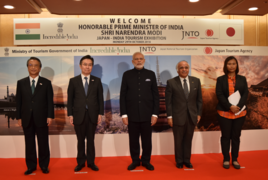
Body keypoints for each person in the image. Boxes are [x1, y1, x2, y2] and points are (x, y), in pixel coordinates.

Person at [120, 52, 159, 171]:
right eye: (136, 59)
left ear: (144, 60)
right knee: (133, 140)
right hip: (131, 115)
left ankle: (146, 161)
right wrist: (124, 114)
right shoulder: (127, 74)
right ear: (132, 61)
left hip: (148, 114)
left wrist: (155, 113)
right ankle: (135, 161)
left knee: (147, 140)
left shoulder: (151, 74)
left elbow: (155, 95)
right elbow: (123, 95)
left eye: (141, 59)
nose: (138, 60)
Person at [16, 57, 54, 175]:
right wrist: (19, 117)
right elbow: (19, 102)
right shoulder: (21, 83)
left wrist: (50, 116)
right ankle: (31, 166)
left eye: (36, 65)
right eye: (31, 65)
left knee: (43, 143)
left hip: (42, 118)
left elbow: (49, 101)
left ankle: (44, 165)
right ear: (27, 67)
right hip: (26, 118)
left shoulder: (46, 83)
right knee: (29, 143)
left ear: (40, 68)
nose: (33, 67)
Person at [67, 55, 104, 172]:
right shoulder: (73, 81)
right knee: (80, 140)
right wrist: (70, 115)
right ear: (80, 66)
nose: (87, 67)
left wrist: (100, 113)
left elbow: (100, 99)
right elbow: (70, 99)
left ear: (92, 66)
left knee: (91, 140)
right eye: (85, 64)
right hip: (78, 115)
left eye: (89, 65)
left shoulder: (97, 81)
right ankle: (81, 163)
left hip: (92, 115)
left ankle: (91, 162)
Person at [165, 60, 202, 169]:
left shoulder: (196, 81)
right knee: (178, 141)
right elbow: (169, 102)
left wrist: (199, 114)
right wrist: (170, 116)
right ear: (177, 70)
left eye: (186, 67)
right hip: (177, 117)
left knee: (188, 140)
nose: (184, 69)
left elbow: (199, 100)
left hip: (192, 117)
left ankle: (187, 160)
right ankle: (179, 161)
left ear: (188, 69)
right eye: (181, 67)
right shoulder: (171, 82)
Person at [216, 56, 248, 169]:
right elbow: (219, 94)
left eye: (233, 63)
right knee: (225, 136)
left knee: (236, 136)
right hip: (224, 112)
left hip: (239, 113)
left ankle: (235, 159)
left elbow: (245, 94)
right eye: (229, 63)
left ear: (237, 65)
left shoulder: (242, 79)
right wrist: (230, 107)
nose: (231, 66)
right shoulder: (220, 79)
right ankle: (226, 159)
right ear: (225, 65)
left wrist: (238, 107)